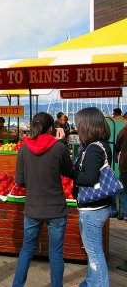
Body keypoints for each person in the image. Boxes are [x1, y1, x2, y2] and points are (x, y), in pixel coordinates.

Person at [12, 112, 74, 287]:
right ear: (51, 129)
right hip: (56, 209)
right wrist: (62, 143)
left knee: (27, 249)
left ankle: (17, 285)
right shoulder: (59, 148)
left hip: (33, 208)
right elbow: (68, 172)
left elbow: (20, 181)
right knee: (55, 253)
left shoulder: (24, 149)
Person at [72, 107, 113, 287]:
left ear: (87, 126)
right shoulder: (101, 145)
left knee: (95, 253)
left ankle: (99, 284)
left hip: (92, 209)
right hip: (99, 206)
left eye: (79, 125)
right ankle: (90, 282)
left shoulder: (94, 149)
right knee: (93, 252)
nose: (77, 128)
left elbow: (89, 178)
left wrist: (69, 172)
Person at [114, 111, 127, 221]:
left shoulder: (122, 132)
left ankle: (125, 212)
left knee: (123, 190)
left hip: (124, 165)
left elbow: (117, 147)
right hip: (124, 164)